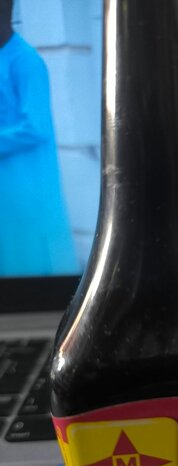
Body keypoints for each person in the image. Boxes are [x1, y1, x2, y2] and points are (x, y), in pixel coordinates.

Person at [0, 0, 79, 276]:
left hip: (28, 180)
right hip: (7, 184)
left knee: (32, 256)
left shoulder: (26, 61)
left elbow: (35, 126)